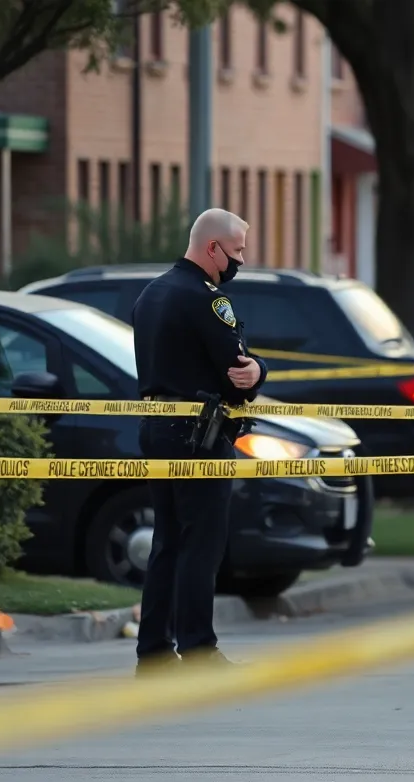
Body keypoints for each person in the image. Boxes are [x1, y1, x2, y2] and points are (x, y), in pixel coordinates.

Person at [132, 209, 267, 674]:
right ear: (213, 248)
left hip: (156, 427)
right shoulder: (207, 299)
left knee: (167, 541)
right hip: (198, 436)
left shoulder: (152, 292)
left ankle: (153, 653)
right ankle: (198, 650)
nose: (241, 261)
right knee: (200, 545)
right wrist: (260, 371)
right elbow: (238, 373)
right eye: (238, 251)